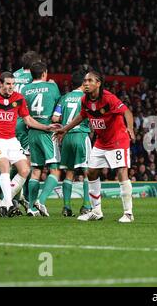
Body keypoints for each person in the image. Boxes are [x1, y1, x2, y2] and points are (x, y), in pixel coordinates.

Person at [55, 70, 136, 223]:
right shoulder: (85, 100)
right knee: (91, 173)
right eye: (85, 81)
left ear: (98, 83)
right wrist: (65, 129)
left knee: (121, 172)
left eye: (90, 81)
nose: (86, 83)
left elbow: (127, 112)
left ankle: (128, 213)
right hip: (101, 141)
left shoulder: (108, 98)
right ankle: (96, 211)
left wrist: (130, 128)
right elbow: (82, 116)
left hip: (118, 140)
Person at [0, 72, 59, 217]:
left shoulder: (18, 99)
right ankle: (8, 205)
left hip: (11, 140)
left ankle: (4, 203)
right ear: (0, 84)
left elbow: (27, 119)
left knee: (25, 170)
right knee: (4, 166)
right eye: (8, 84)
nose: (11, 87)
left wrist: (46, 127)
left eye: (13, 84)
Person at [22, 61, 61, 217]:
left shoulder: (25, 89)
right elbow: (59, 104)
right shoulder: (52, 87)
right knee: (55, 170)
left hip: (32, 132)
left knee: (36, 170)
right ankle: (41, 201)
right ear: (44, 73)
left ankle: (31, 208)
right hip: (47, 132)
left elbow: (23, 113)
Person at [52, 69, 92, 217]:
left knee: (69, 172)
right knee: (88, 172)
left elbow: (55, 118)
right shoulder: (87, 98)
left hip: (66, 137)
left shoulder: (64, 98)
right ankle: (87, 205)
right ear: (84, 83)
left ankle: (66, 207)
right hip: (81, 136)